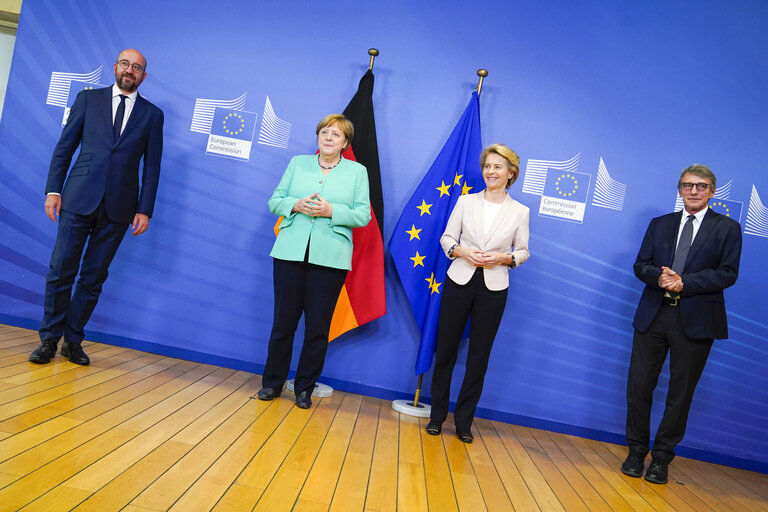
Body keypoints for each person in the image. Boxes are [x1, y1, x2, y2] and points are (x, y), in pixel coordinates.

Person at [29, 48, 164, 366]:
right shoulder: (88, 100)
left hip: (119, 207)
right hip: (77, 199)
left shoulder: (153, 115)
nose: (130, 70)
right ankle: (49, 339)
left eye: (137, 67)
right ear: (115, 67)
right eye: (125, 64)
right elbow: (65, 147)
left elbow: (152, 166)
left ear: (143, 76)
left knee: (93, 278)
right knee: (61, 270)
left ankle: (73, 341)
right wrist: (53, 190)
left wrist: (145, 209)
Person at [622, 164, 741, 484]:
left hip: (696, 320)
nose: (693, 191)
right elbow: (641, 264)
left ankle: (661, 458)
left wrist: (684, 282)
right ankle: (635, 450)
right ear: (679, 190)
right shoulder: (660, 224)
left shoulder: (727, 228)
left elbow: (728, 274)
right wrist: (659, 277)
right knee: (639, 386)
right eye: (687, 185)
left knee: (680, 393)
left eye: (701, 186)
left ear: (712, 191)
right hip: (654, 314)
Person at [257, 114, 371, 409]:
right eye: (325, 132)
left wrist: (331, 210)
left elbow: (363, 215)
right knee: (283, 323)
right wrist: (294, 205)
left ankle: (305, 388)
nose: (329, 137)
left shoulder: (357, 172)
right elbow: (275, 200)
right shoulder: (298, 163)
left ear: (345, 143)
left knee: (317, 328)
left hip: (330, 259)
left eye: (336, 134)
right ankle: (271, 383)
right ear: (317, 137)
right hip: (289, 253)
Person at [426, 143, 530, 442]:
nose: (491, 171)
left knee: (478, 357)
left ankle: (464, 423)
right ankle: (437, 416)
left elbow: (522, 251)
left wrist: (505, 258)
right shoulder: (465, 202)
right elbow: (447, 237)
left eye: (498, 167)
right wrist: (459, 250)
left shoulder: (520, 211)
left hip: (494, 287)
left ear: (511, 174)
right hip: (459, 279)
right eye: (487, 166)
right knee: (445, 350)